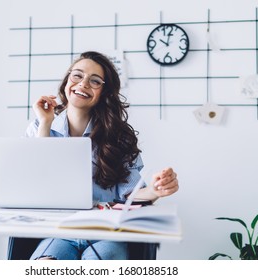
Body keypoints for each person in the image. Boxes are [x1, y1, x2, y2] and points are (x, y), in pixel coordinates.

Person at [25, 51, 179, 260]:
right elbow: (34, 181)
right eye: (77, 75)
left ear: (104, 92)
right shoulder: (40, 127)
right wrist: (44, 124)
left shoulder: (119, 137)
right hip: (58, 232)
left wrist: (155, 190)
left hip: (106, 233)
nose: (83, 84)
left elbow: (131, 196)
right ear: (67, 82)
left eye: (94, 81)